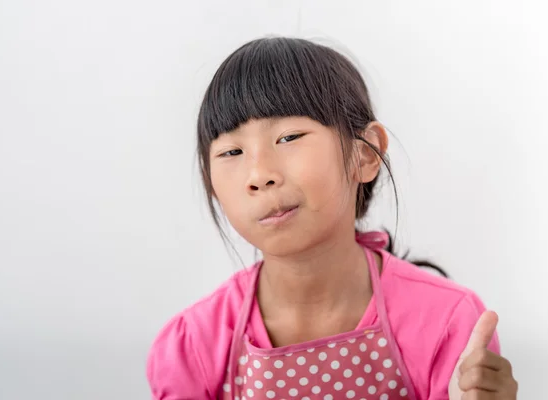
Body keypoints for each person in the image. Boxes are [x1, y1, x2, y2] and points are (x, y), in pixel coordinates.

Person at [146, 37, 518, 400]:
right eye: (231, 151)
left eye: (289, 137)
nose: (259, 174)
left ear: (365, 155)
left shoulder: (448, 323)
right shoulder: (194, 345)